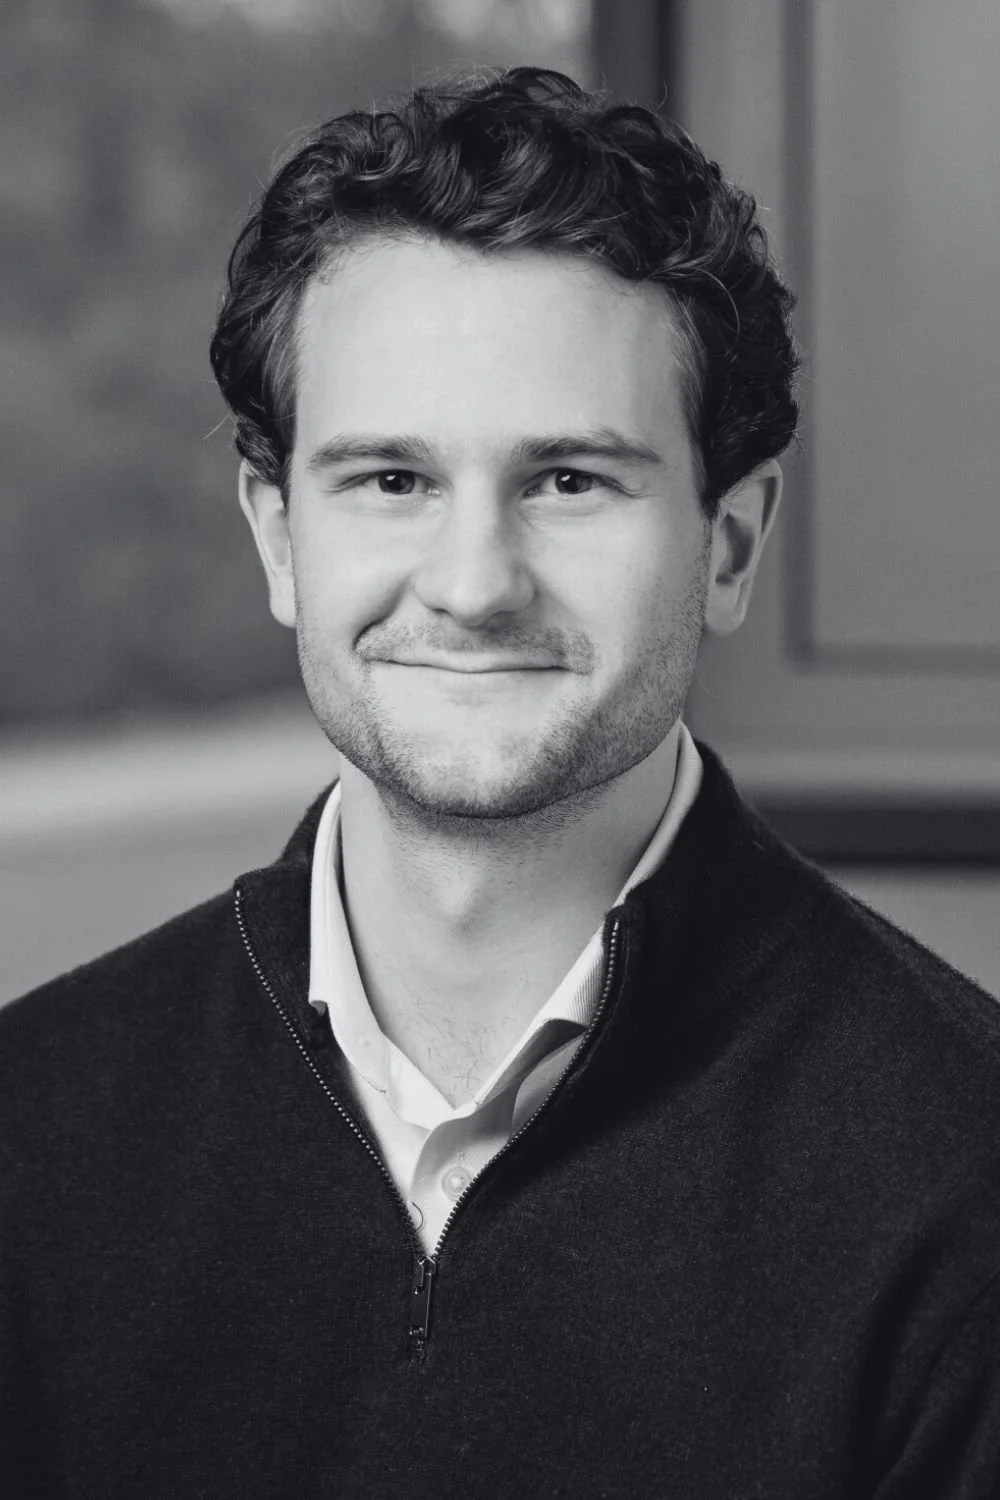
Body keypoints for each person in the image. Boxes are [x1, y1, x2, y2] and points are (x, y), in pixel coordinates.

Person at [1, 66, 998, 1499]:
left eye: (571, 482)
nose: (473, 586)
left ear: (728, 546)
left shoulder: (964, 1186)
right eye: (391, 481)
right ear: (279, 538)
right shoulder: (33, 1136)